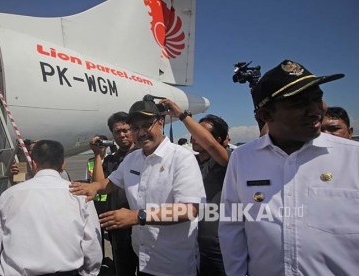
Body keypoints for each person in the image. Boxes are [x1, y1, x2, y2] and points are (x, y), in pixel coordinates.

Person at [219, 59, 359, 275]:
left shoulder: (353, 158)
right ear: (265, 115)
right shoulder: (243, 158)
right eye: (299, 102)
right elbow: (233, 226)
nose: (316, 110)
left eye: (317, 98)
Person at [71, 100, 205, 276]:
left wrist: (137, 216)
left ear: (160, 122)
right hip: (143, 258)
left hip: (174, 264)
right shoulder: (132, 159)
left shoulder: (181, 158)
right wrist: (93, 187)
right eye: (135, 128)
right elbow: (109, 184)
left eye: (147, 125)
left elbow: (189, 210)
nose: (141, 133)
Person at [0, 140, 102, 276]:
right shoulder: (80, 194)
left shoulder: (10, 195)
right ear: (63, 165)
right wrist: (89, 273)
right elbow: (92, 245)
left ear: (33, 164)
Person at [161, 99, 230, 276]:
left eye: (201, 133)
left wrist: (182, 116)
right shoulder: (190, 163)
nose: (194, 136)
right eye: (194, 132)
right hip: (190, 244)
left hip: (217, 248)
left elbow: (212, 146)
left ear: (219, 139)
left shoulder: (227, 161)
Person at [90, 112, 137, 276]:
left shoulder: (144, 155)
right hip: (118, 223)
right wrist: (98, 155)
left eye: (126, 130)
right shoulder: (112, 160)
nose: (122, 135)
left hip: (141, 220)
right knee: (123, 269)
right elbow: (98, 185)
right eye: (117, 132)